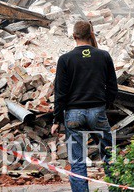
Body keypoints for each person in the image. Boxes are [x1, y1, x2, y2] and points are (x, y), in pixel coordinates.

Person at [51, 20, 117, 192]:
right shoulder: (103, 56)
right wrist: (105, 105)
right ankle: (117, 188)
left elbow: (60, 93)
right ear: (91, 35)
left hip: (73, 114)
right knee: (109, 155)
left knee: (78, 162)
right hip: (97, 111)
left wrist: (56, 119)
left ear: (74, 36)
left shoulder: (65, 60)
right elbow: (112, 87)